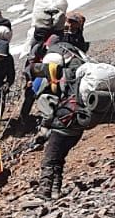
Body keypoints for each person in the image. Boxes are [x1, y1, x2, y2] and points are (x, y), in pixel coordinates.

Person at [34, 57, 84, 199]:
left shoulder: (53, 84)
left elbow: (48, 114)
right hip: (78, 127)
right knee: (59, 159)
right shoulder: (73, 79)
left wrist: (43, 131)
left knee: (49, 160)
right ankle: (56, 191)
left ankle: (44, 191)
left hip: (62, 127)